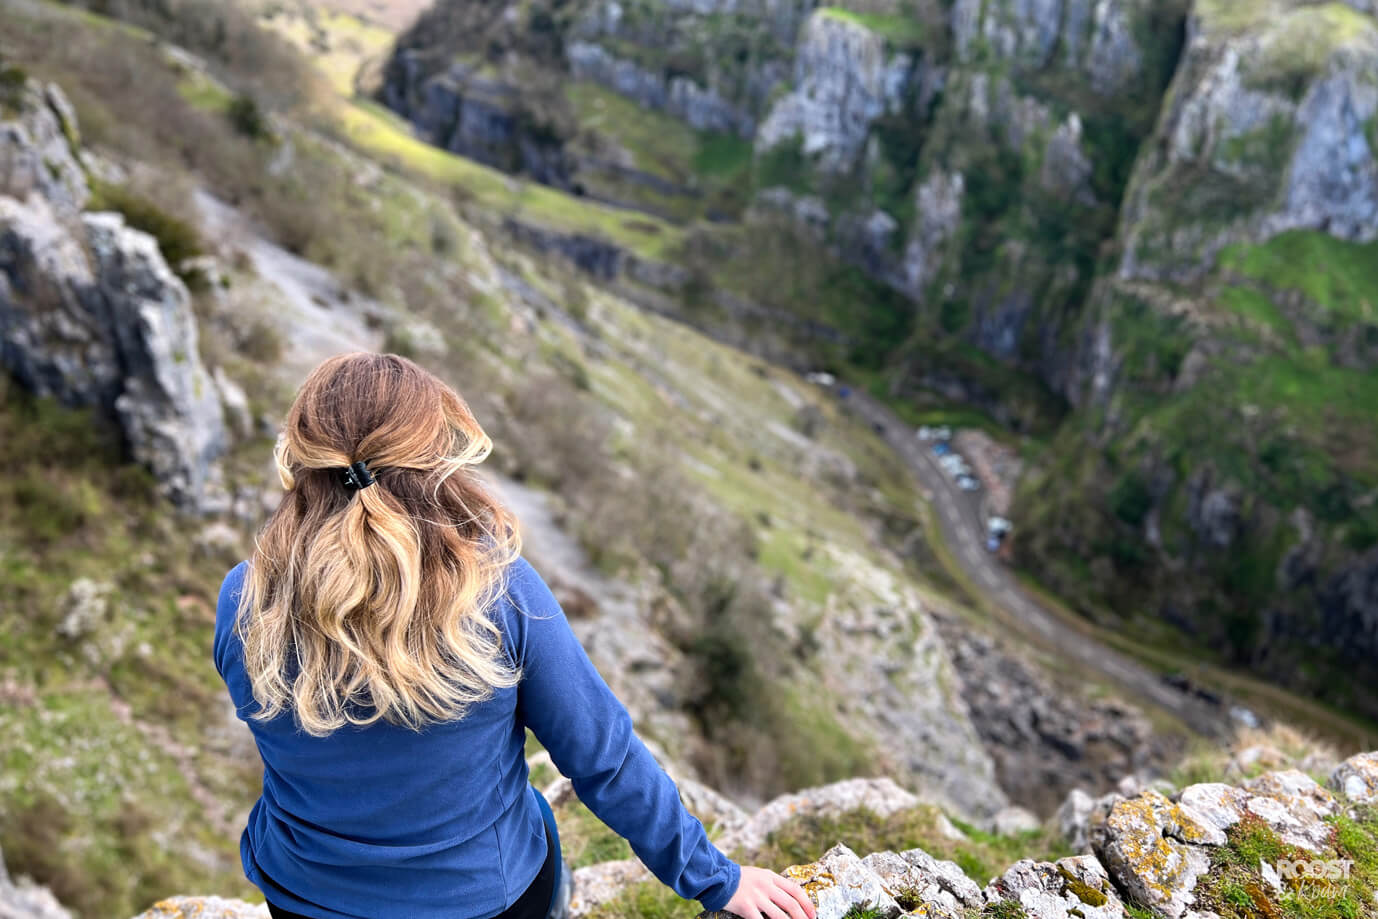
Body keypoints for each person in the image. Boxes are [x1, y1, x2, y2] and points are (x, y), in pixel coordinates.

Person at [212, 352, 818, 919]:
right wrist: (719, 879)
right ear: (434, 459)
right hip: (481, 900)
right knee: (537, 830)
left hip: (307, 895)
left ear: (302, 458)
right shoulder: (498, 590)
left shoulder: (244, 600)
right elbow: (602, 759)